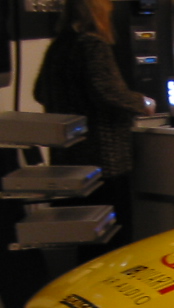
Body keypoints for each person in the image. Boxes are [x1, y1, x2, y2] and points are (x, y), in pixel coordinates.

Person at [33, 0, 156, 252]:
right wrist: (142, 102)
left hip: (67, 163)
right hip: (104, 161)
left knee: (82, 243)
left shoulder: (59, 46)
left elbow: (39, 92)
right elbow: (107, 92)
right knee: (112, 244)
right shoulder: (92, 45)